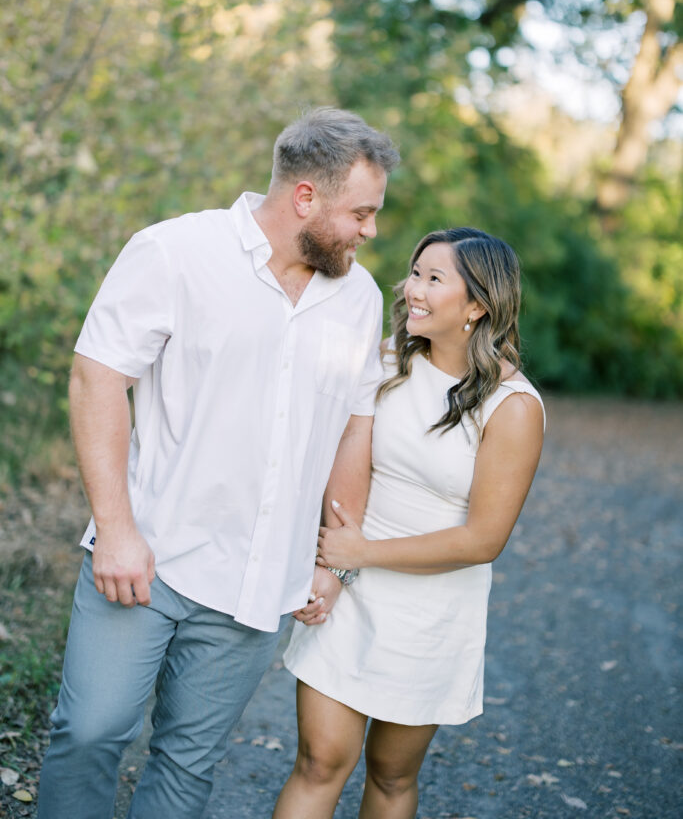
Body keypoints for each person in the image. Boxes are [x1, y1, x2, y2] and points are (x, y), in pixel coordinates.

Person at [37, 107, 400, 819]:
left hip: (260, 582)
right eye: (360, 212)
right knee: (88, 733)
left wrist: (330, 560)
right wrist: (115, 529)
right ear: (305, 197)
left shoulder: (357, 297)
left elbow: (354, 431)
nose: (370, 230)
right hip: (147, 558)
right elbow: (97, 377)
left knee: (187, 762)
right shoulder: (175, 251)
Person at [274, 226, 545, 819]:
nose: (412, 289)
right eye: (415, 273)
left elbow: (483, 539)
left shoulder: (513, 408)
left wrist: (362, 553)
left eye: (433, 278)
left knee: (392, 776)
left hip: (432, 607)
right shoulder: (386, 360)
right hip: (348, 586)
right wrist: (334, 567)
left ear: (477, 305)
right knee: (320, 759)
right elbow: (348, 458)